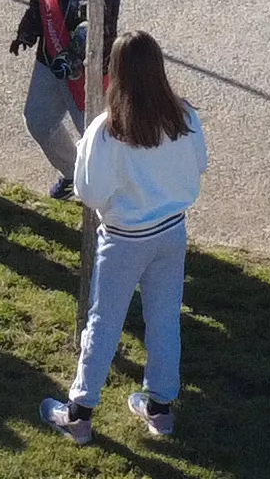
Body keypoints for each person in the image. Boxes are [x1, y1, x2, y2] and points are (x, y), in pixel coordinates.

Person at [42, 31, 206, 445]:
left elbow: (89, 192)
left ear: (114, 74)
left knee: (104, 321)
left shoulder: (106, 131)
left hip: (123, 238)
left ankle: (79, 414)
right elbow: (198, 165)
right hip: (172, 231)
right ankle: (160, 409)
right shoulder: (185, 117)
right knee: (165, 319)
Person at [7, 0, 116, 197]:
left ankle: (111, 199)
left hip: (85, 69)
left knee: (99, 140)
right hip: (49, 57)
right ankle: (74, 176)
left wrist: (76, 55)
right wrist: (27, 29)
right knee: (39, 121)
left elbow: (103, 22)